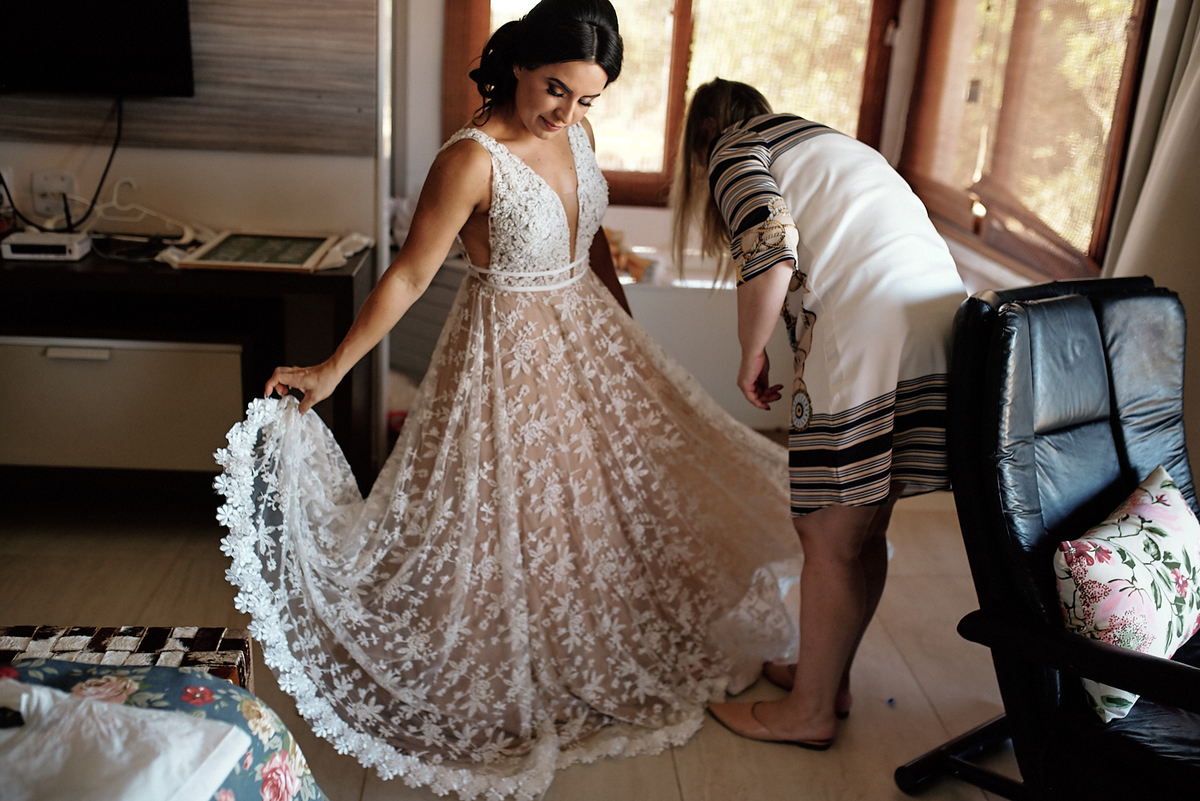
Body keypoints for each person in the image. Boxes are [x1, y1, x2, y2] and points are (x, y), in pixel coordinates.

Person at [214, 6, 802, 799]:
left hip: (586, 334)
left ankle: (573, 651)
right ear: (520, 64)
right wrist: (331, 369)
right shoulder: (470, 159)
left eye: (587, 100)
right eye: (556, 90)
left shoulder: (578, 136)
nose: (566, 114)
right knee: (504, 517)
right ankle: (507, 672)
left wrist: (627, 343)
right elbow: (410, 275)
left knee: (597, 511)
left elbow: (591, 244)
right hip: (506, 353)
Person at [671, 79, 966, 748]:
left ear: (703, 139)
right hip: (942, 320)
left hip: (870, 326)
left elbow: (768, 239)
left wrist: (750, 352)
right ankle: (825, 680)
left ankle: (808, 713)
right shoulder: (823, 142)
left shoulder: (735, 149)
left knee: (826, 535)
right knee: (865, 525)